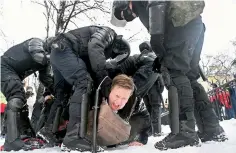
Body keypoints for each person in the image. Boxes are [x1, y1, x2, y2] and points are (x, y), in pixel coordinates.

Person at [112, 1, 227, 150]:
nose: (126, 16)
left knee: (174, 74)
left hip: (180, 29)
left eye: (122, 13)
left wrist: (156, 38)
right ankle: (212, 129)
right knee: (190, 78)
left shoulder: (138, 2)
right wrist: (160, 58)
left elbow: (157, 5)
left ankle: (184, 132)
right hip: (194, 26)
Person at [37, 25, 130, 152]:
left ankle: (49, 131)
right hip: (66, 48)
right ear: (118, 48)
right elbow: (95, 45)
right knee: (84, 83)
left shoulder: (88, 47)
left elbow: (89, 65)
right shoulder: (109, 33)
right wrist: (103, 77)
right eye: (112, 56)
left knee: (62, 93)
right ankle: (74, 137)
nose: (109, 58)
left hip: (59, 51)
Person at [1, 37, 54, 151]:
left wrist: (57, 91)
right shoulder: (36, 42)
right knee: (16, 96)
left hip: (14, 74)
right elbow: (38, 57)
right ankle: (11, 140)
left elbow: (45, 79)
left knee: (21, 102)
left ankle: (23, 134)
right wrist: (57, 58)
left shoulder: (46, 60)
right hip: (4, 68)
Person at [107, 41, 164, 136]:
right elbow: (159, 78)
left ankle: (150, 130)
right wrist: (160, 89)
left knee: (137, 99)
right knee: (152, 105)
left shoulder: (140, 56)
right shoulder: (153, 57)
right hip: (150, 82)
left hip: (144, 80)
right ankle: (154, 131)